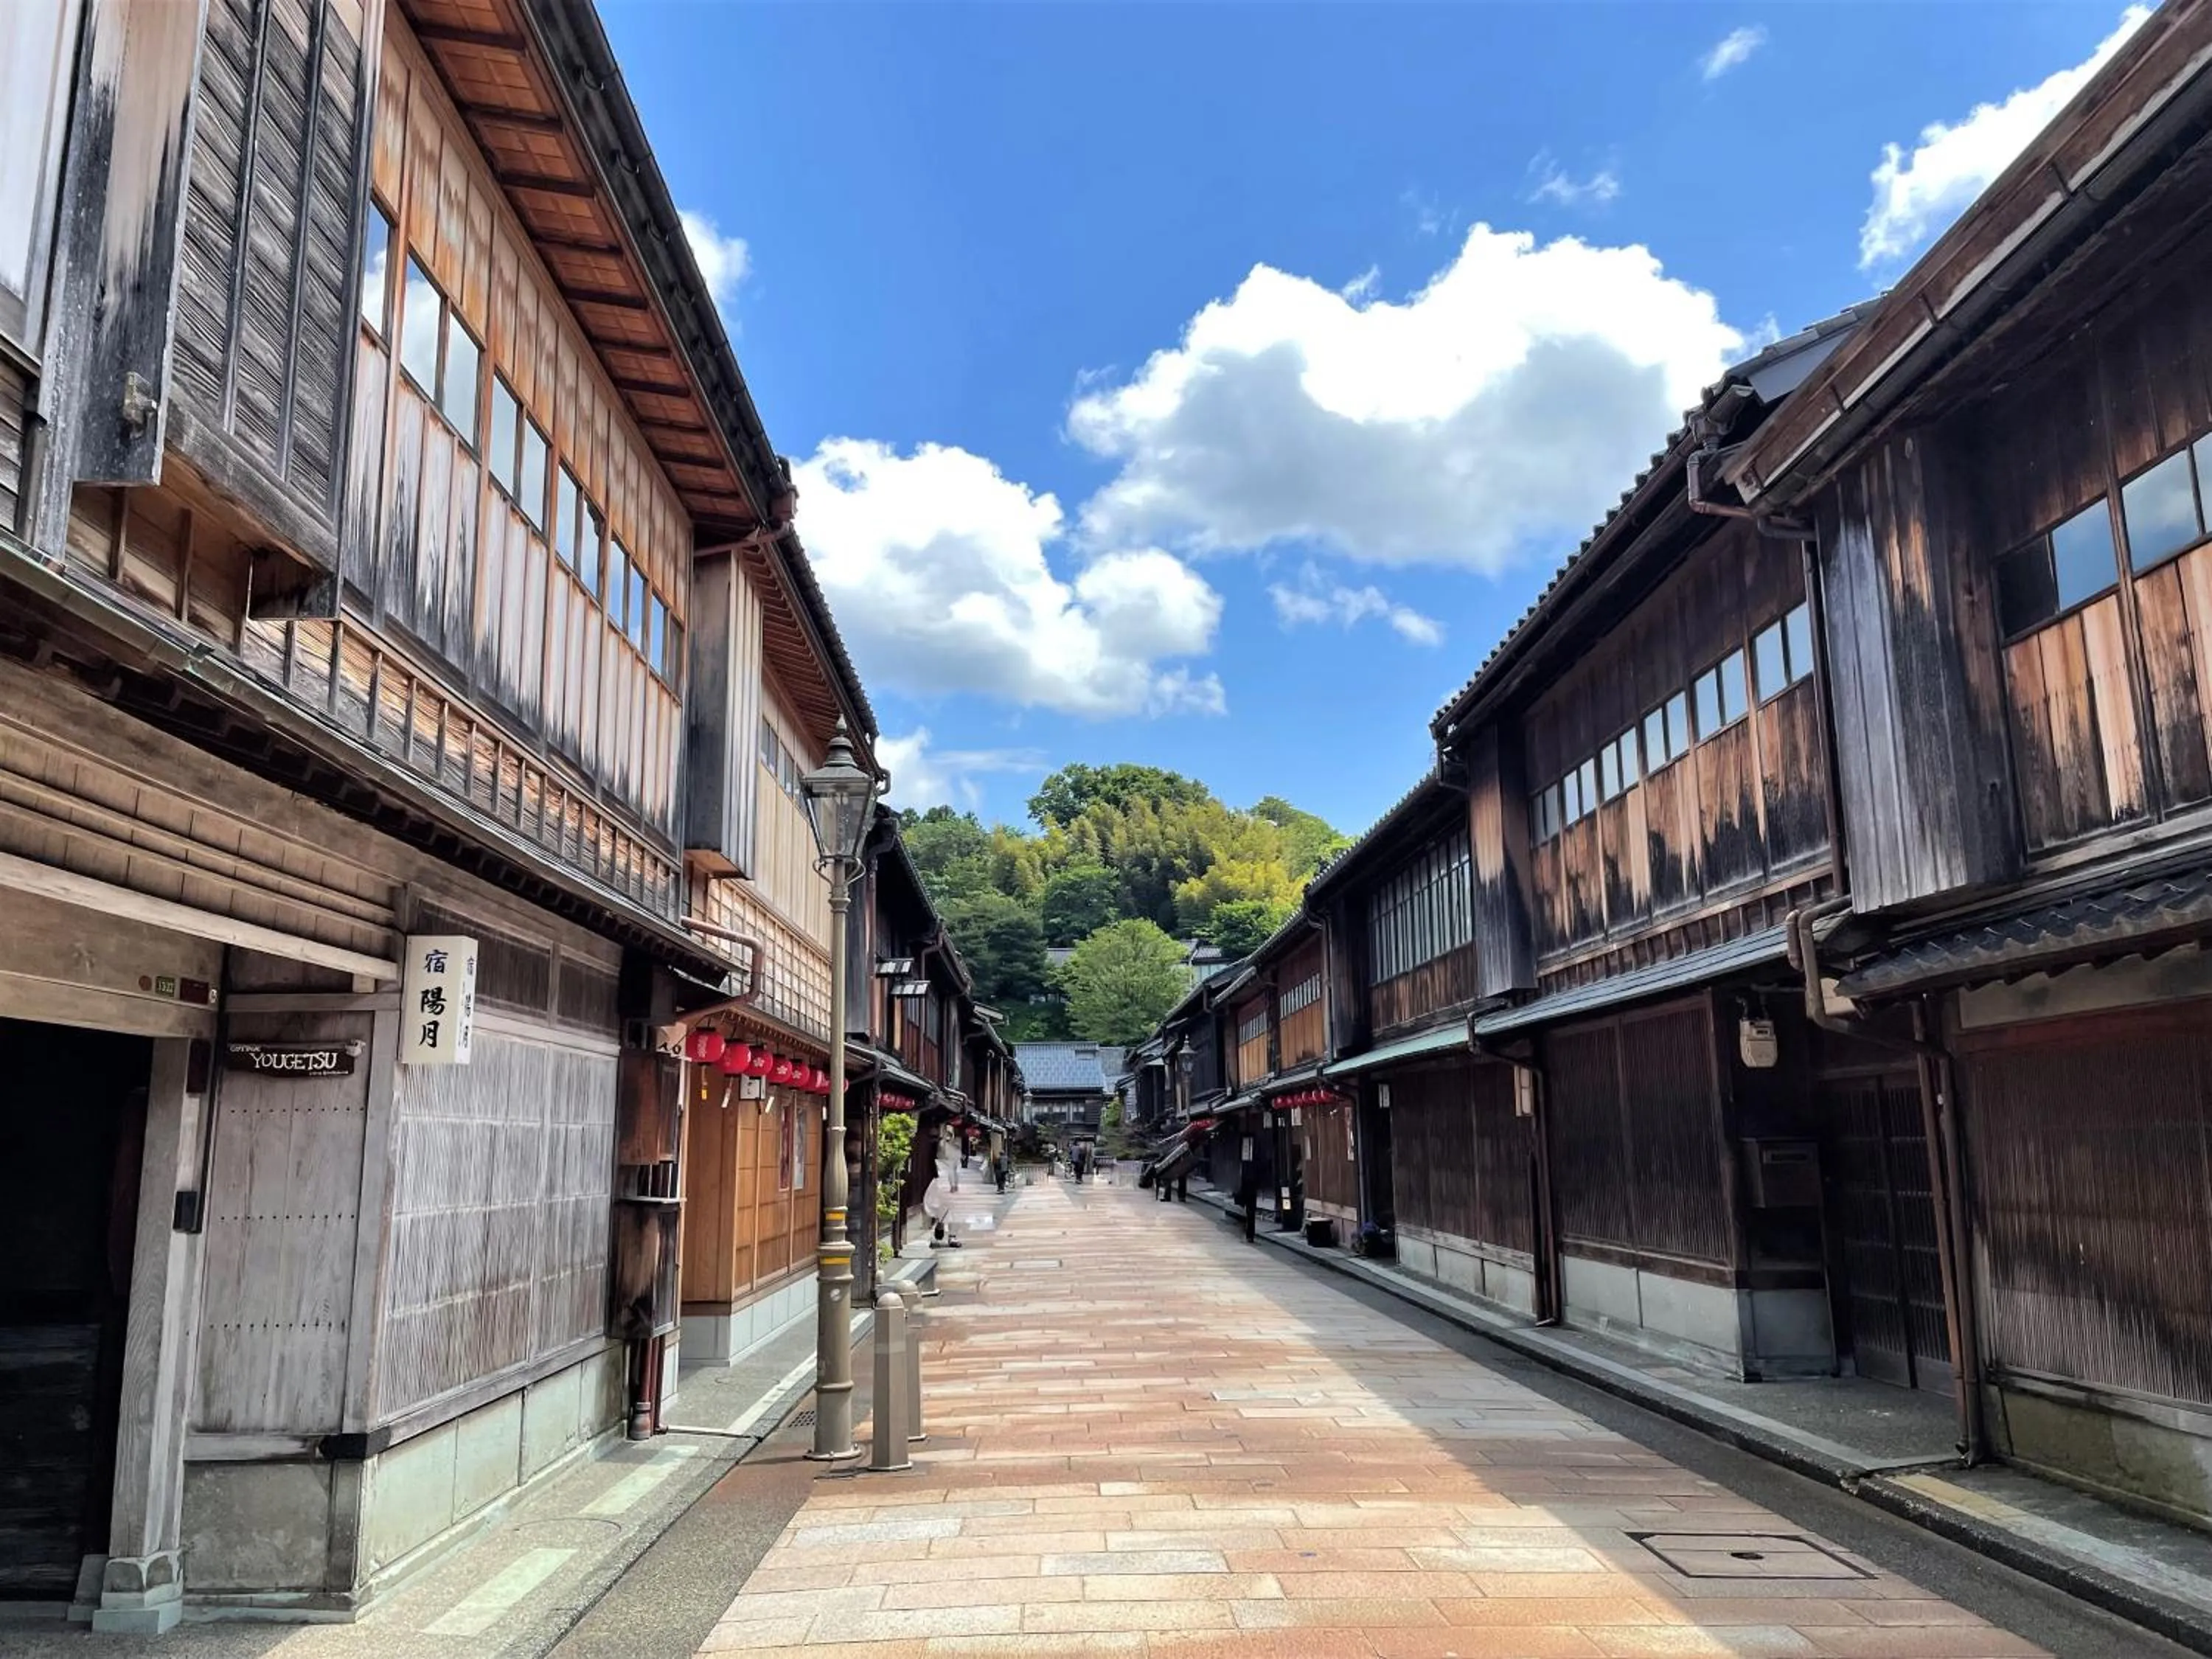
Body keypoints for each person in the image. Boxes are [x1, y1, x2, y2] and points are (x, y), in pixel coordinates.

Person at [1235, 1163, 1259, 1243]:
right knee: (1250, 1214)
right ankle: (1249, 1235)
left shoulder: (1245, 1169)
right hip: (1250, 1192)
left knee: (1248, 1214)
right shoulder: (1252, 1169)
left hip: (1247, 1192)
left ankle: (1248, 1235)